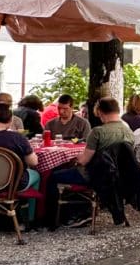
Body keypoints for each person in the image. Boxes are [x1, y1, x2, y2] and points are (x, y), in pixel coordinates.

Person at [45, 96, 135, 228]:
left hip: (96, 176)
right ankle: (82, 211)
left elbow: (84, 160)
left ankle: (59, 217)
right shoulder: (128, 131)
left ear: (99, 111)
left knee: (52, 176)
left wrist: (76, 159)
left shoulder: (98, 132)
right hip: (120, 175)